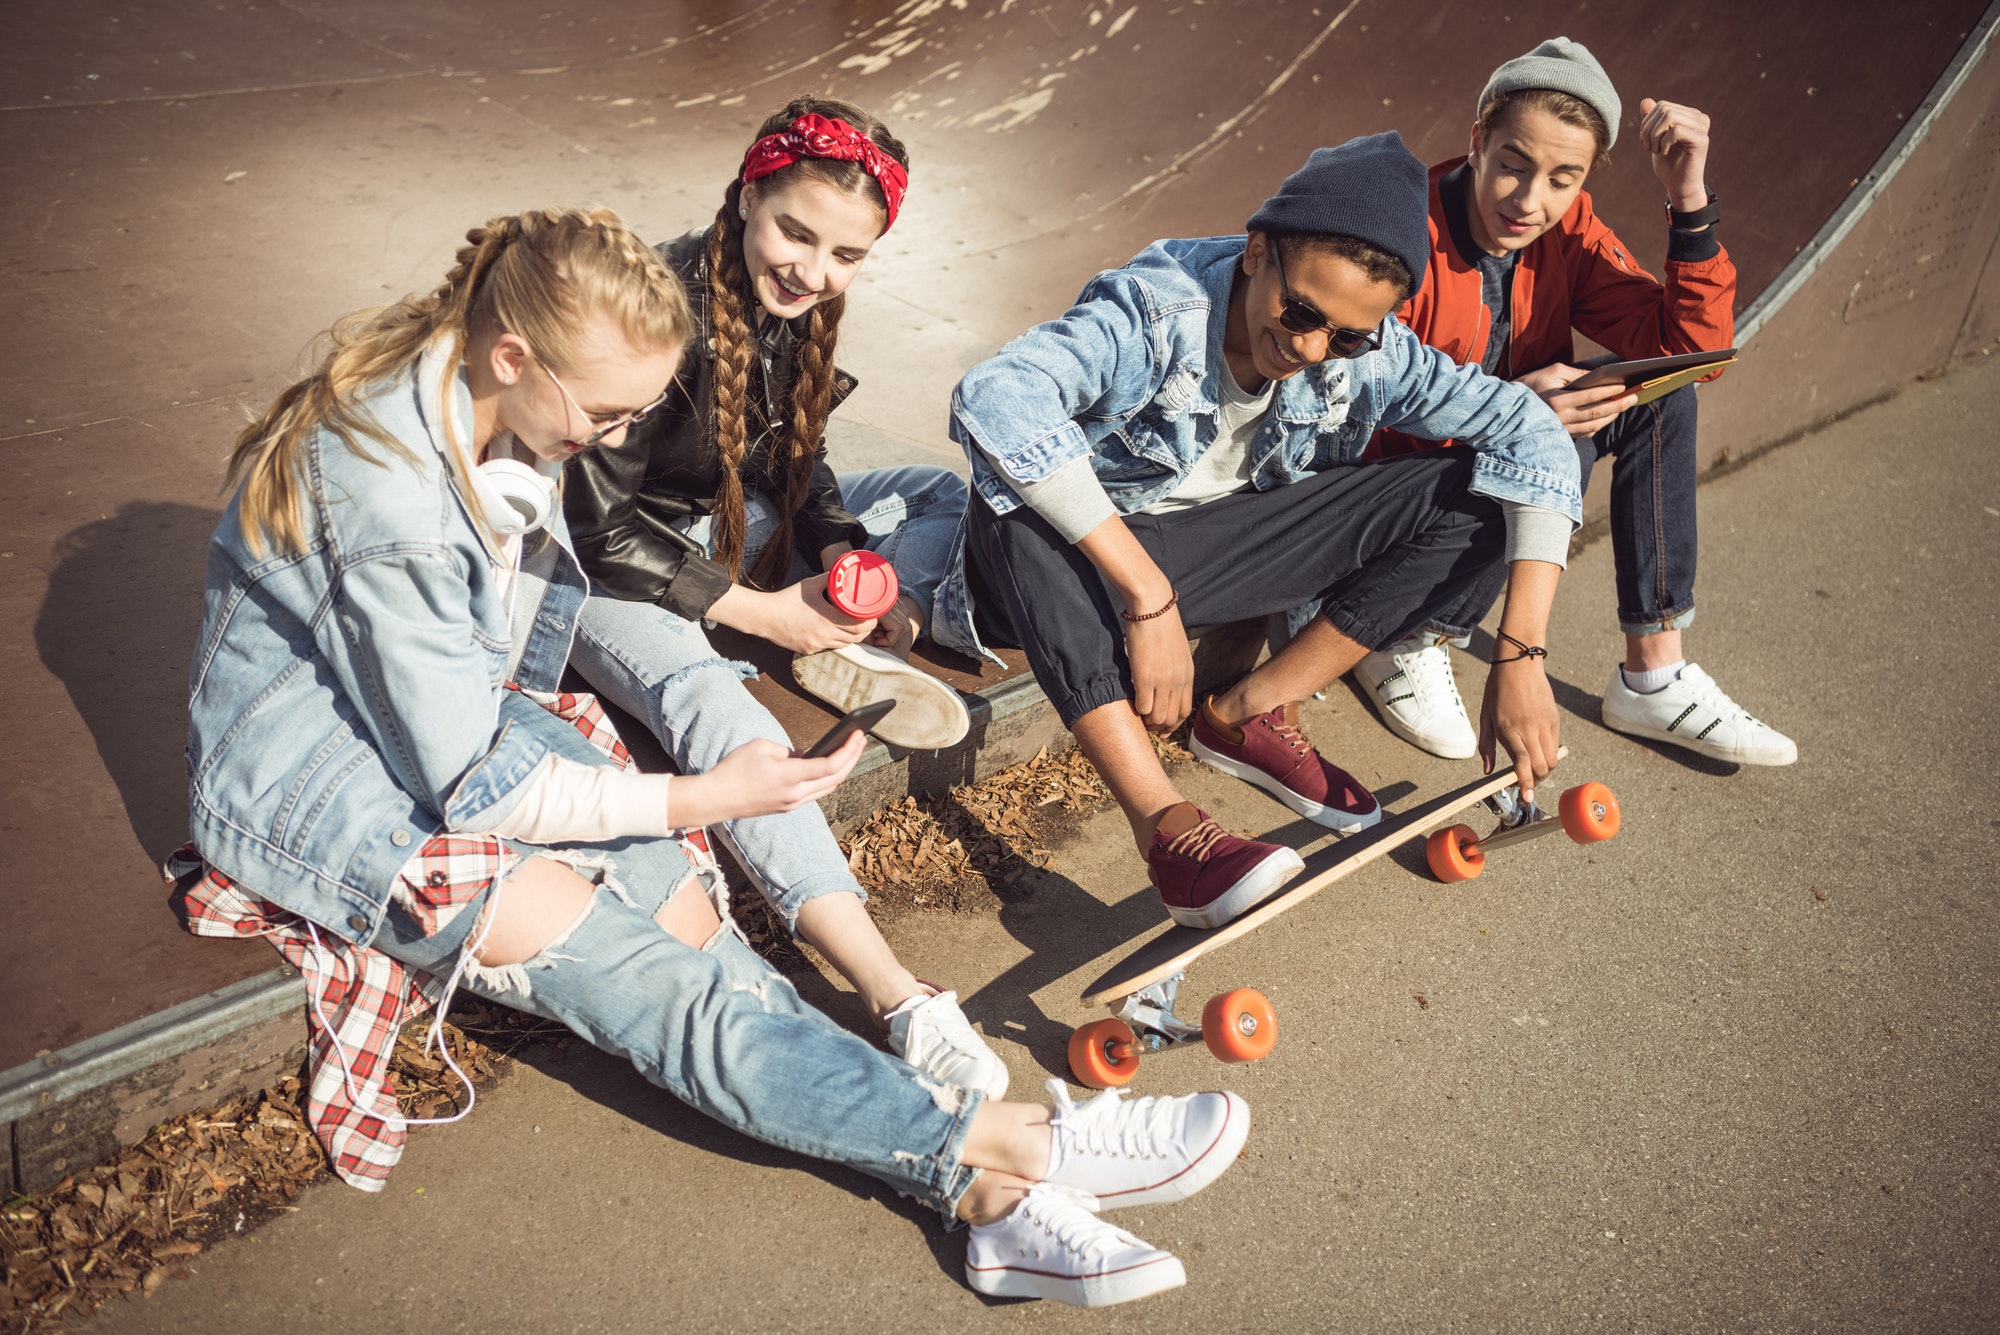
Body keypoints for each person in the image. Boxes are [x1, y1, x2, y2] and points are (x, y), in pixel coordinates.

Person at [173, 206, 1249, 1308]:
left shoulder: (483, 396)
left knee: (699, 938)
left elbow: (467, 694)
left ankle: (982, 1203)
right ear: (512, 357)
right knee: (666, 997)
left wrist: (692, 790)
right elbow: (470, 787)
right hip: (336, 791)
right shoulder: (392, 498)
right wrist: (705, 795)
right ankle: (1020, 1150)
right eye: (601, 413)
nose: (606, 439)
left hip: (449, 717)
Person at [941, 134, 1581, 930]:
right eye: (1302, 312)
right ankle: (1170, 833)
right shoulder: (1156, 311)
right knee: (1012, 496)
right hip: (1068, 570)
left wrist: (1520, 654)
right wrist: (1146, 593)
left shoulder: (1370, 355)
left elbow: (1538, 435)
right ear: (1256, 252)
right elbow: (996, 397)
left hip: (1210, 557)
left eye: (1346, 336)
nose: (1311, 349)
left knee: (1477, 495)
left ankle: (1248, 710)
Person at [562, 98, 1005, 1098]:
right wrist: (757, 611)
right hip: (602, 565)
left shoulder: (794, 312)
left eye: (844, 254)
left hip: (727, 525)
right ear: (749, 194)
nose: (811, 269)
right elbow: (588, 521)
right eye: (794, 231)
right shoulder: (656, 309)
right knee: (710, 700)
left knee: (932, 491)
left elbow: (797, 464)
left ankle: (841, 638)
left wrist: (850, 563)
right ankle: (898, 995)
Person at [1353, 37, 1798, 767]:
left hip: (1483, 464)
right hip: (1382, 497)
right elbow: (1347, 393)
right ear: (1477, 143)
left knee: (1655, 391)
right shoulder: (1405, 225)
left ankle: (1652, 672)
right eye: (1513, 167)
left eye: (1562, 179)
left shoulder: (1567, 231)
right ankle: (1401, 632)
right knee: (1542, 439)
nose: (1531, 202)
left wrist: (1689, 204)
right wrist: (1511, 410)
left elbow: (1691, 354)